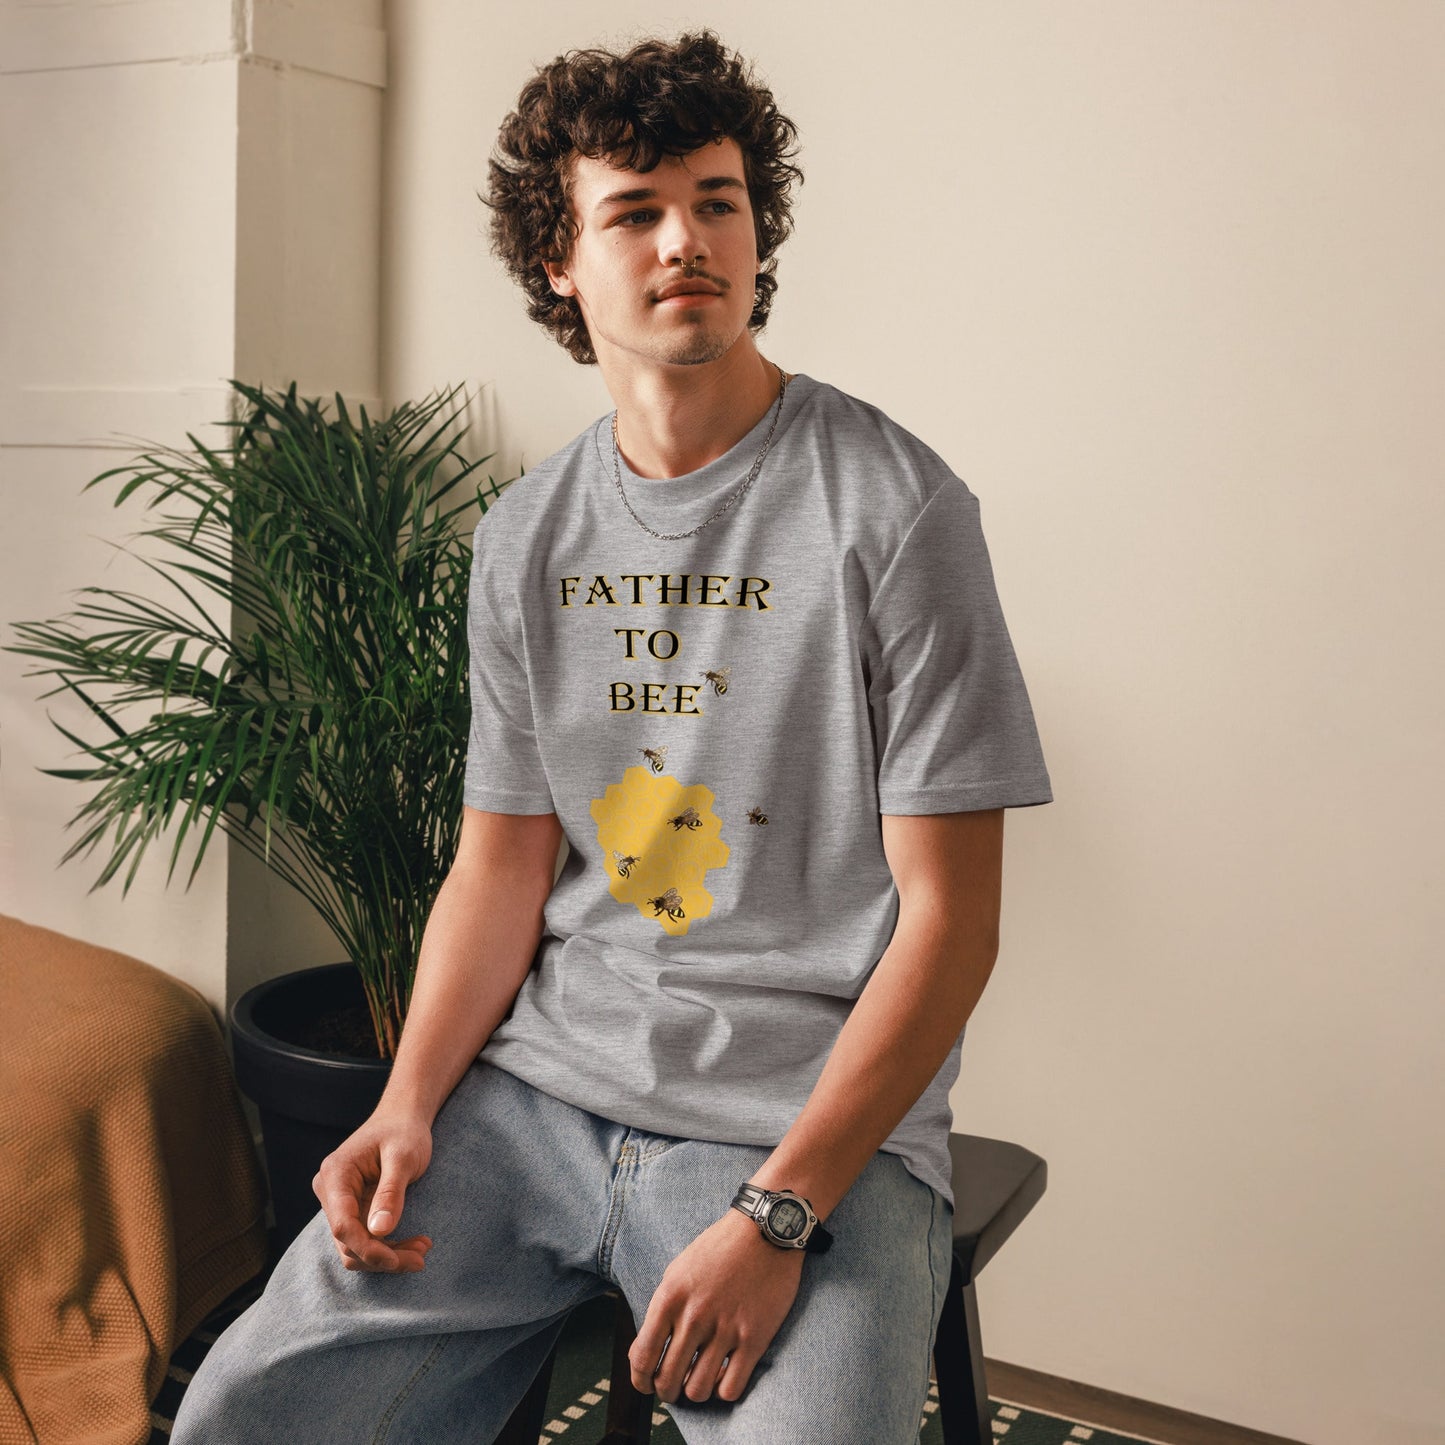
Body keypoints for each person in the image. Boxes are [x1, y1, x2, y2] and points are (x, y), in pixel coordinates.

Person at [171, 29, 1052, 1445]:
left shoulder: (897, 511)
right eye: (633, 211)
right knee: (239, 1413)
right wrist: (407, 1105)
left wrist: (778, 1214)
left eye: (717, 201)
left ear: (757, 233)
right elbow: (500, 867)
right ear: (560, 266)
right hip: (532, 1106)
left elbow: (951, 923)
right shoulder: (526, 535)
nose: (685, 239)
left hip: (795, 1127)